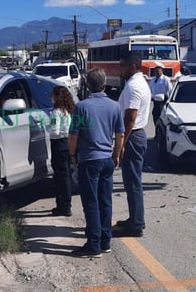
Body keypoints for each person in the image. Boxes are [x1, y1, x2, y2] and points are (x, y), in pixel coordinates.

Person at [68, 68, 125, 258]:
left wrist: (73, 155)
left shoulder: (82, 107)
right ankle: (105, 241)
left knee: (91, 203)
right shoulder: (115, 106)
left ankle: (93, 244)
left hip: (89, 160)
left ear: (88, 86)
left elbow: (73, 135)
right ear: (104, 84)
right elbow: (120, 134)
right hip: (107, 158)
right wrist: (116, 155)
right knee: (105, 201)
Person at [113, 51, 151, 238]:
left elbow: (130, 118)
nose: (119, 69)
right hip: (136, 135)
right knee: (130, 182)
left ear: (133, 66)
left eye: (122, 65)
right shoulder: (137, 83)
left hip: (133, 136)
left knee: (133, 182)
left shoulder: (134, 86)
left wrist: (121, 142)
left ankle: (136, 224)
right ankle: (134, 218)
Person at [47, 86, 75, 217]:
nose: (51, 98)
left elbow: (54, 131)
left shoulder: (56, 112)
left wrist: (45, 126)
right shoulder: (69, 111)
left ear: (57, 97)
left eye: (52, 95)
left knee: (60, 175)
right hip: (67, 143)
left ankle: (63, 205)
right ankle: (65, 203)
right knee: (66, 174)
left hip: (58, 144)